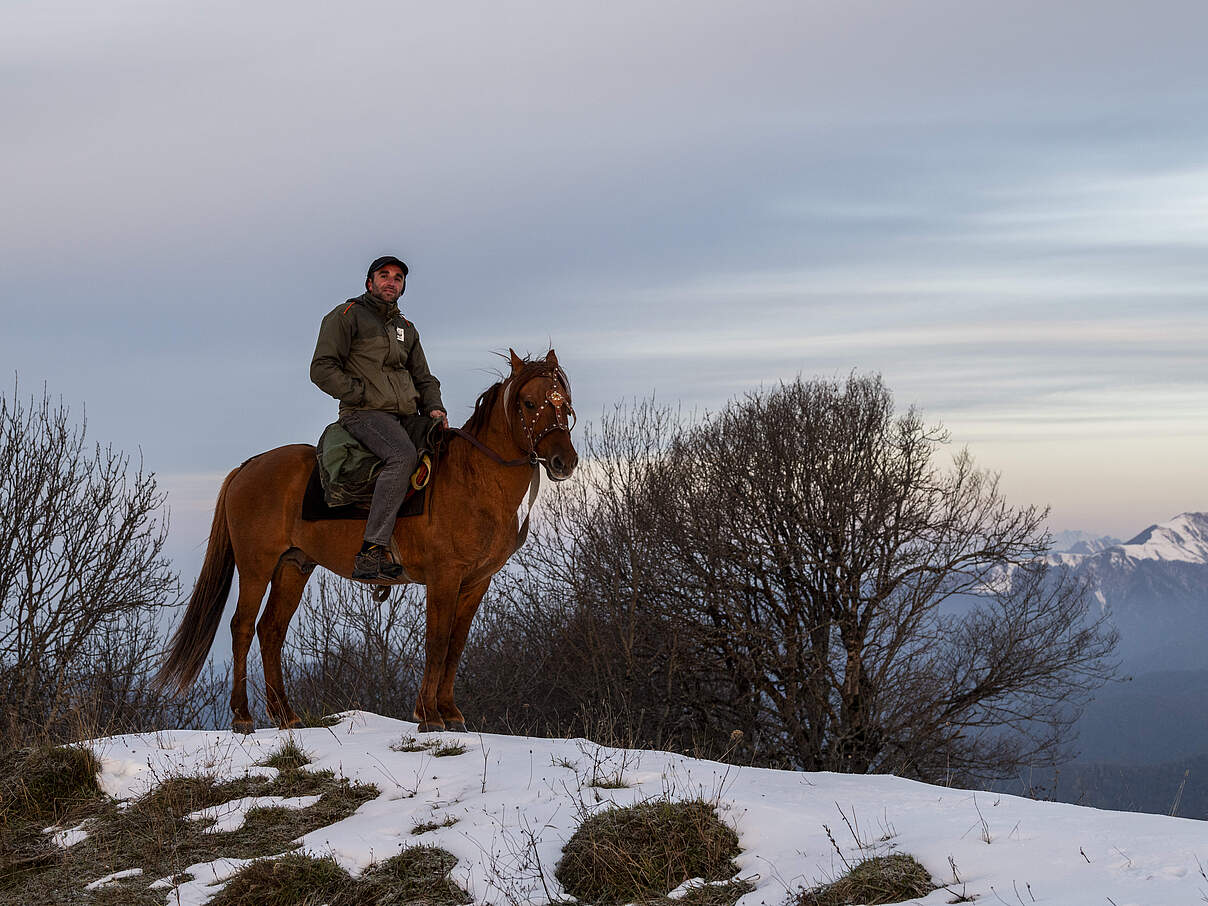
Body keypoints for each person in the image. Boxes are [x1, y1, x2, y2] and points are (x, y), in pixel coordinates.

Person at [310, 255, 448, 581]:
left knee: (448, 448)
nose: (391, 281)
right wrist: (358, 393)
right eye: (384, 275)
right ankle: (371, 551)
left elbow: (424, 378)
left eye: (398, 278)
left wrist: (434, 407)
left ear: (402, 288)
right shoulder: (346, 317)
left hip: (405, 415)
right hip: (363, 414)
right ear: (369, 283)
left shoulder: (406, 329)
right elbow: (321, 368)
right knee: (402, 456)